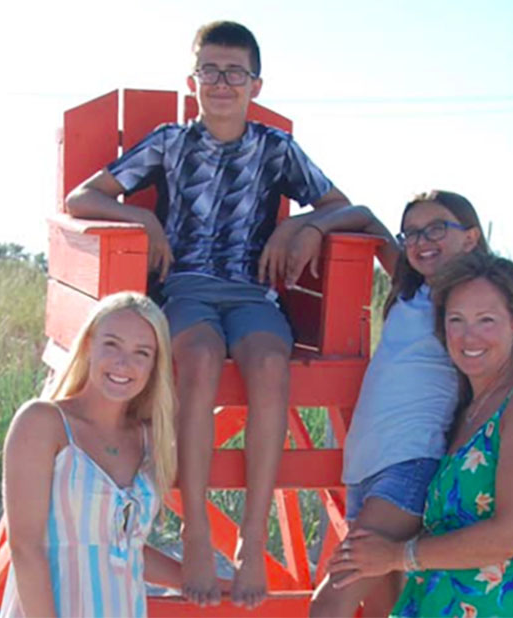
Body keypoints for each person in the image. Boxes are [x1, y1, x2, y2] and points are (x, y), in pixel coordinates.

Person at [65, 21, 357, 609]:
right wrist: (144, 221)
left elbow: (339, 206)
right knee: (196, 360)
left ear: (255, 83)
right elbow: (82, 198)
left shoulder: (275, 149)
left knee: (271, 366)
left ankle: (252, 539)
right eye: (210, 71)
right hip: (189, 291)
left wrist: (302, 223)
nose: (222, 83)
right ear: (192, 78)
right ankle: (196, 534)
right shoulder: (171, 143)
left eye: (235, 73)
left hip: (254, 295)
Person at [301, 191, 513, 617]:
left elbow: (512, 534)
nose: (467, 335)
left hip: (489, 590)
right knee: (377, 599)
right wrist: (306, 226)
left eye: (486, 320)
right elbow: (366, 218)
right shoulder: (464, 405)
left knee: (331, 602)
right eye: (455, 321)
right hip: (379, 489)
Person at [0, 292, 182, 617]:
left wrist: (200, 579)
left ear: (155, 366)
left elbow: (123, 547)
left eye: (142, 353)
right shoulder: (43, 423)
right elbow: (25, 548)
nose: (124, 363)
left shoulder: (149, 439)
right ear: (87, 346)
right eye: (111, 344)